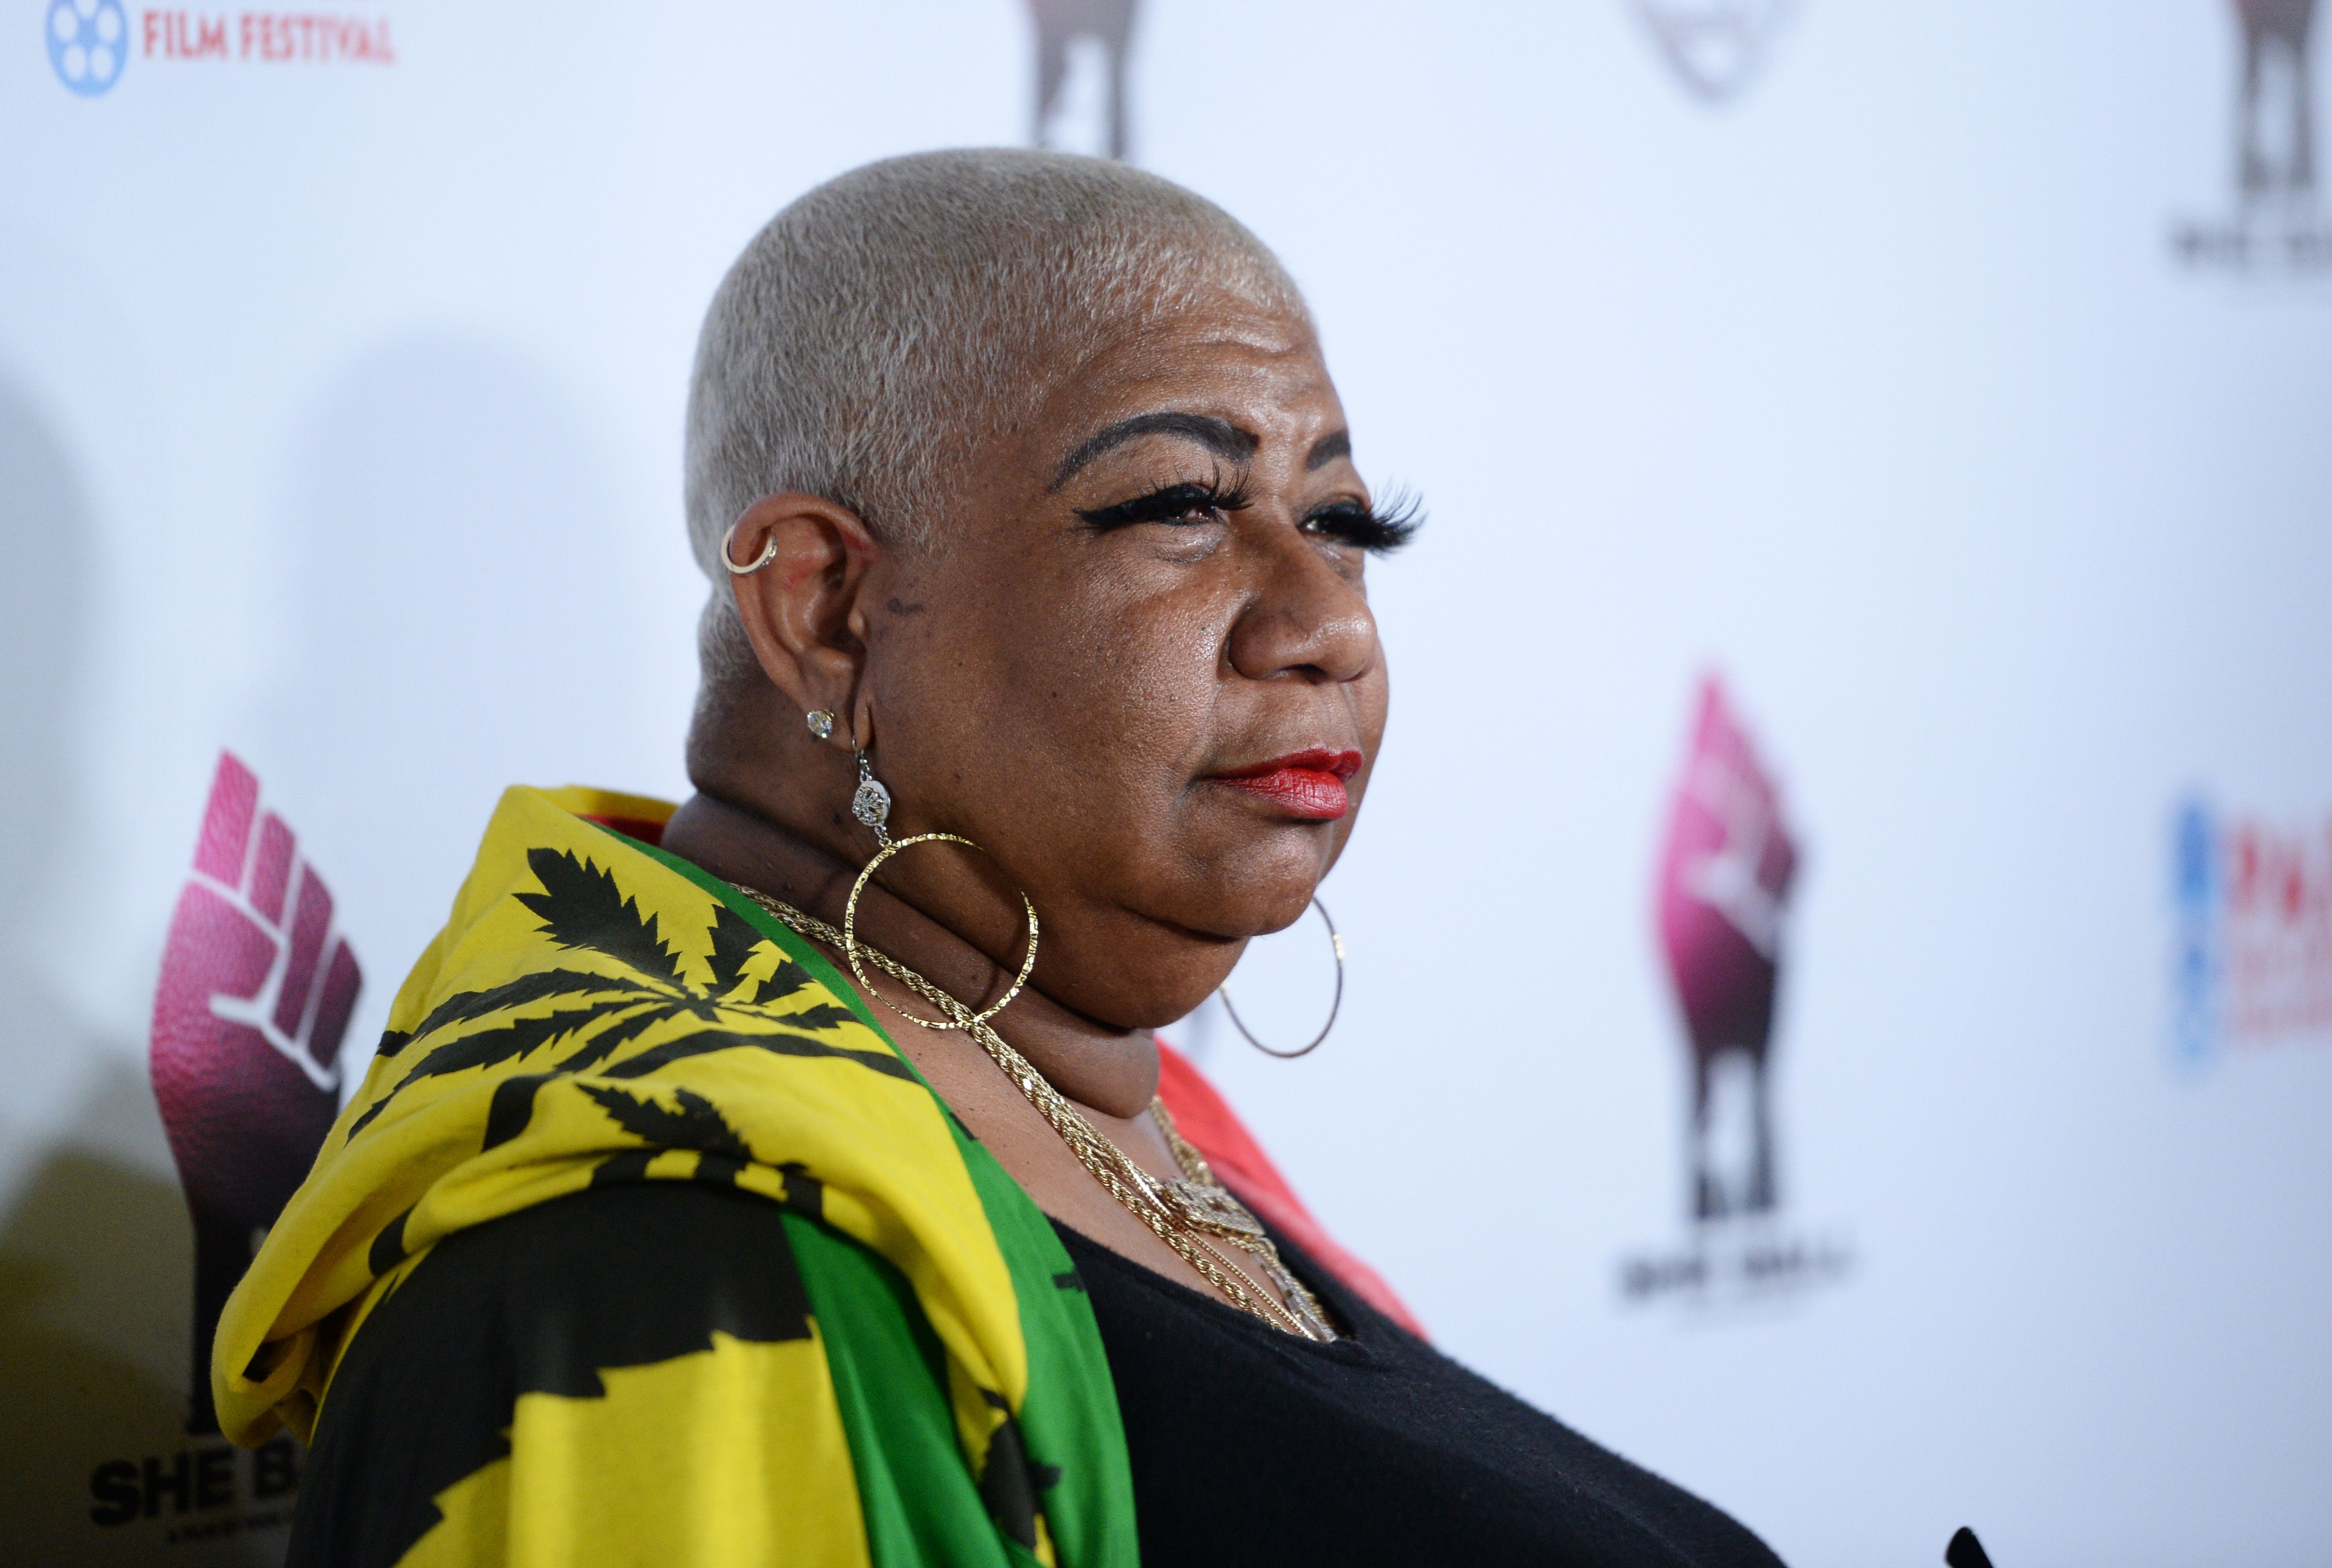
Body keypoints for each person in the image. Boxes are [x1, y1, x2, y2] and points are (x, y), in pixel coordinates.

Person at [214, 149, 1785, 1568]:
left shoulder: (1111, 1115)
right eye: (1183, 505)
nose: (1329, 623)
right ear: (825, 612)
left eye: (1344, 525)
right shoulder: (655, 1274)